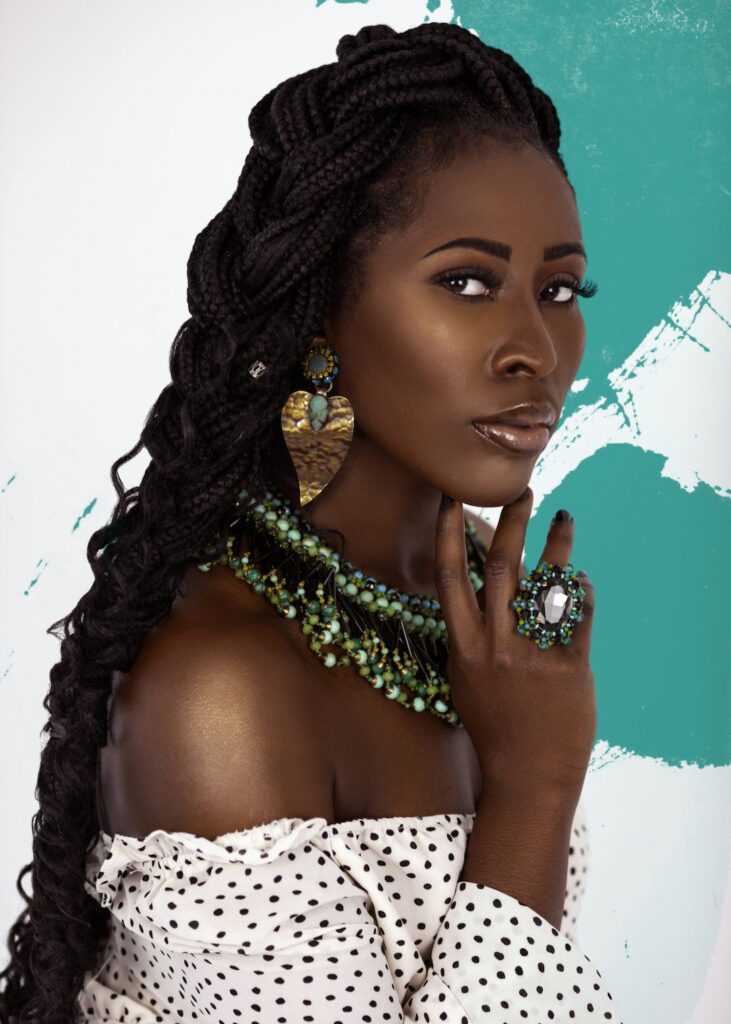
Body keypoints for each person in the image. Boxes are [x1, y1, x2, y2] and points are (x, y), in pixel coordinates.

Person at [0, 21, 622, 1024]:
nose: (534, 350)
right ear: (321, 308)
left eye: (557, 289)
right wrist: (533, 786)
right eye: (466, 281)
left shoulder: (468, 613)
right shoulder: (225, 690)